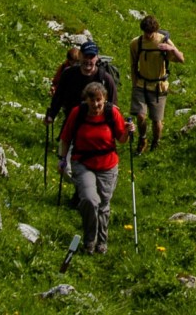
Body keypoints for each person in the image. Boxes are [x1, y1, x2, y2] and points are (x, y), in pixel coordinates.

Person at [57, 81, 128, 254]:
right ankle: (90, 239)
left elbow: (122, 139)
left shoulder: (113, 113)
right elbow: (65, 138)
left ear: (104, 99)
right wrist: (62, 160)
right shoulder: (78, 113)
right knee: (89, 199)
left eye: (99, 100)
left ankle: (101, 242)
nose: (96, 104)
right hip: (83, 163)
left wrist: (128, 130)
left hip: (108, 164)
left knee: (103, 204)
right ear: (86, 100)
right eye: (92, 100)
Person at [128, 15, 184, 154]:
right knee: (140, 116)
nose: (148, 35)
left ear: (156, 30)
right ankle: (143, 139)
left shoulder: (163, 41)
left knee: (156, 120)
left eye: (151, 32)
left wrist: (171, 49)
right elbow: (133, 64)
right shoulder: (136, 43)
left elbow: (181, 59)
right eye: (146, 32)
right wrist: (135, 83)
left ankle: (156, 143)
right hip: (141, 83)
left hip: (159, 86)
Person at [46, 41, 118, 127]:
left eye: (91, 57)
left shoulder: (105, 78)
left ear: (97, 58)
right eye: (85, 56)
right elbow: (58, 97)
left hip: (97, 124)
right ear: (79, 55)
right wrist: (51, 115)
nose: (88, 60)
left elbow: (113, 105)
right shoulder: (68, 74)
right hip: (72, 121)